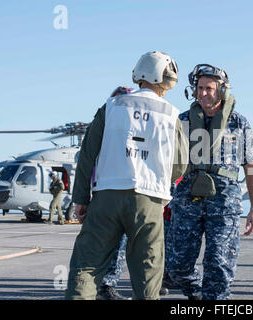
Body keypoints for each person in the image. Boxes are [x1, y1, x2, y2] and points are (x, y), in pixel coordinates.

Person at [65, 51, 188, 300]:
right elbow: (180, 165)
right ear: (166, 80)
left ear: (139, 74)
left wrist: (81, 199)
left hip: (106, 197)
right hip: (149, 201)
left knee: (86, 267)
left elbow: (87, 154)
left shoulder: (111, 106)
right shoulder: (171, 114)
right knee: (148, 275)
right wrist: (160, 182)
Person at [167, 64, 253, 300]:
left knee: (219, 264)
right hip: (187, 200)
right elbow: (167, 162)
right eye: (199, 88)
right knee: (177, 266)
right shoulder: (182, 121)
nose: (203, 93)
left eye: (209, 88)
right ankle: (197, 292)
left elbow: (250, 167)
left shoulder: (239, 123)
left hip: (225, 203)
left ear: (222, 91)